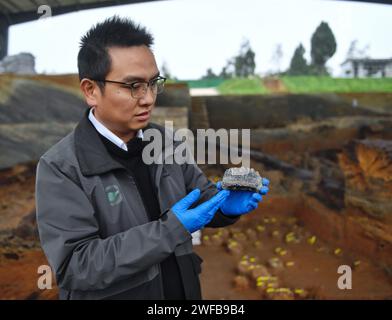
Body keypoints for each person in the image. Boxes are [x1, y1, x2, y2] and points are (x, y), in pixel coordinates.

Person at [35, 16, 269, 300]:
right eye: (133, 86)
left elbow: (200, 196)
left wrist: (225, 207)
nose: (147, 98)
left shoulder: (167, 141)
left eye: (153, 83)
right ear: (91, 90)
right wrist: (171, 229)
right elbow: (76, 266)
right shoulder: (61, 167)